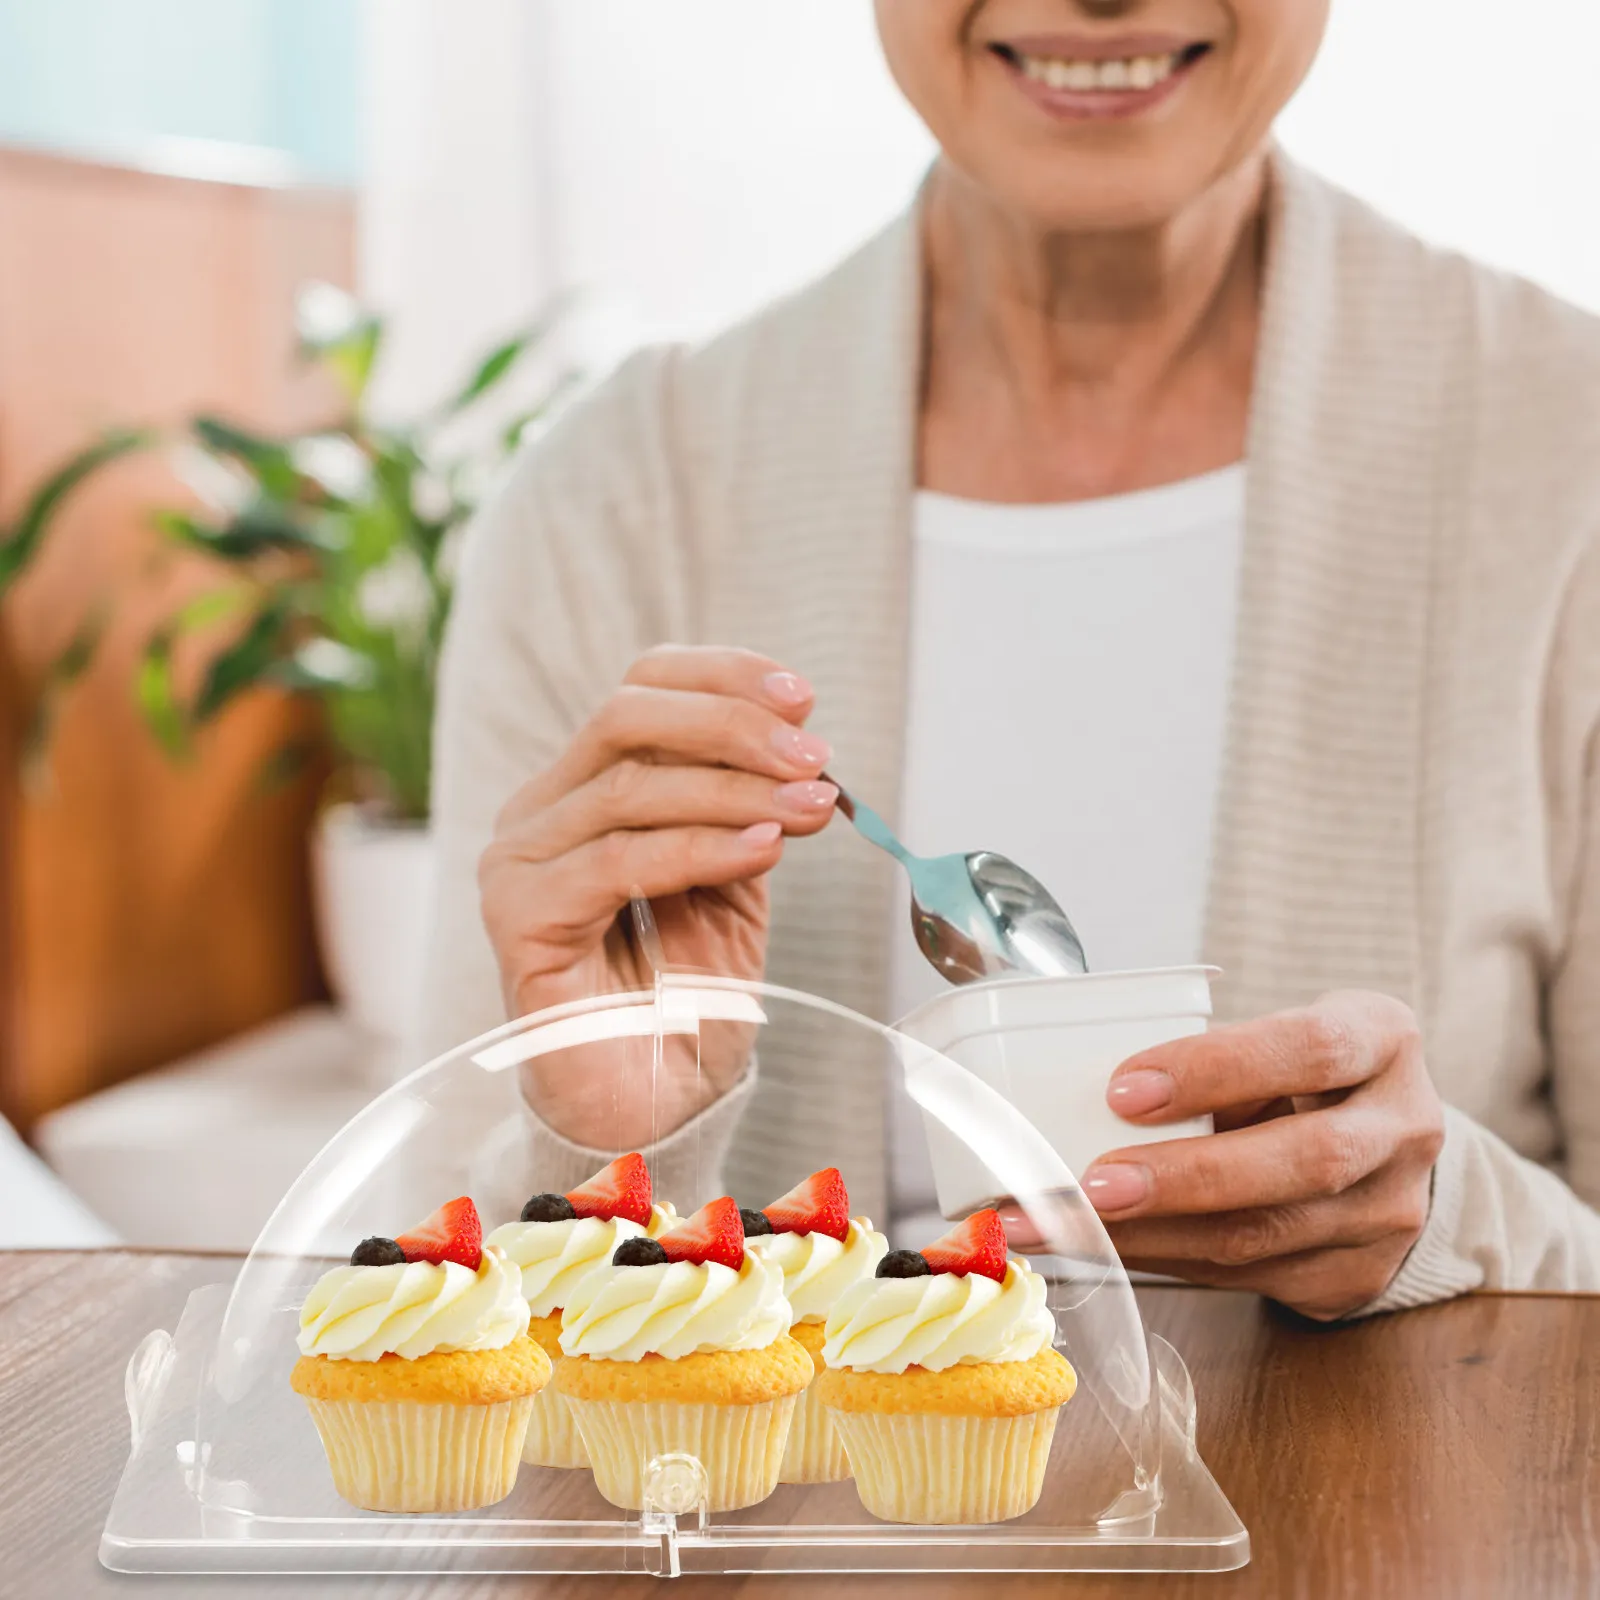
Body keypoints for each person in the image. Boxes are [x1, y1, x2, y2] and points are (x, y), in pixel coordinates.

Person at [421, 0, 1600, 1321]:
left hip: (1406, 1530)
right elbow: (428, 1299)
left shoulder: (1570, 457)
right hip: (793, 1533)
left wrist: (1442, 1223)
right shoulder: (618, 500)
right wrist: (605, 1152)